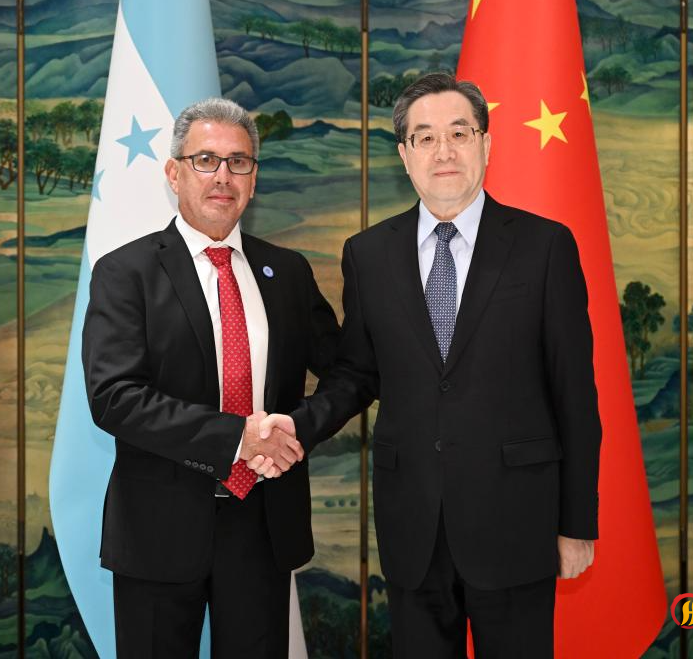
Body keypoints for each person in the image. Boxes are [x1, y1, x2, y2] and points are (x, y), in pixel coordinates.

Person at [255, 73, 601, 658]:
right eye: (425, 137)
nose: (444, 151)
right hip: (413, 523)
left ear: (486, 144)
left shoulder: (545, 247)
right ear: (404, 155)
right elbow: (357, 373)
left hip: (517, 522)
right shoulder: (368, 254)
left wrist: (577, 524)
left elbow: (575, 395)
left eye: (459, 133)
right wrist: (298, 425)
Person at [82, 97, 339, 659]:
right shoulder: (125, 272)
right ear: (174, 173)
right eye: (205, 160)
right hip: (158, 530)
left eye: (238, 162)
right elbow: (114, 397)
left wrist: (295, 431)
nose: (223, 176)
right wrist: (237, 438)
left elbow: (348, 373)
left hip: (262, 526)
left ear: (253, 178)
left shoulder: (287, 272)